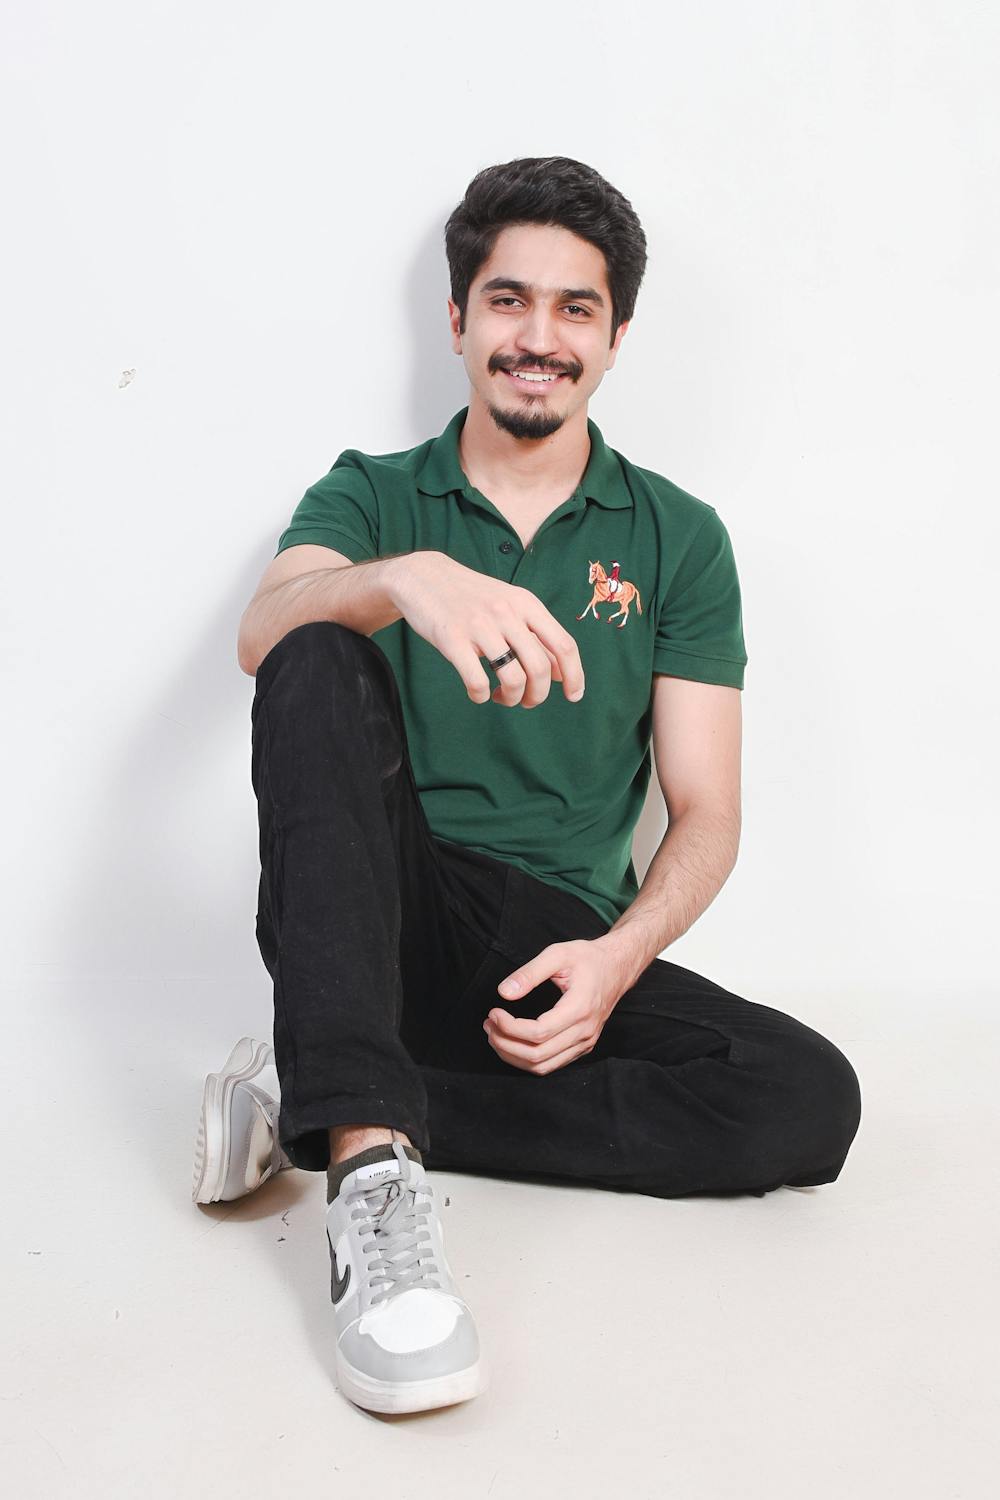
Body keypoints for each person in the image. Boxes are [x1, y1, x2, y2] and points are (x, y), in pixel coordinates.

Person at [191, 156, 862, 1415]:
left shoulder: (675, 537)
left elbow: (706, 810)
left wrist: (614, 961)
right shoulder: (374, 492)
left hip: (548, 949)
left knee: (805, 1099)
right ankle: (375, 1176)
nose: (536, 339)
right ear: (457, 321)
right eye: (507, 302)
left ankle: (323, 1102)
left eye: (573, 309)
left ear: (614, 337)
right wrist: (396, 580)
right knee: (314, 648)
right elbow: (259, 632)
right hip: (378, 912)